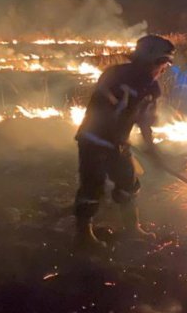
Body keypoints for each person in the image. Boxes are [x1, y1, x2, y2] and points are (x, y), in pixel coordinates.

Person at [73, 33, 175, 252]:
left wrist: (152, 150)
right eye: (163, 63)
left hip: (118, 143)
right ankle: (84, 234)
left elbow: (145, 122)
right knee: (92, 186)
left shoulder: (152, 89)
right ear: (152, 61)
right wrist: (113, 136)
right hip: (94, 140)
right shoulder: (114, 76)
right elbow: (106, 109)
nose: (164, 69)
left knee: (128, 182)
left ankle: (132, 228)